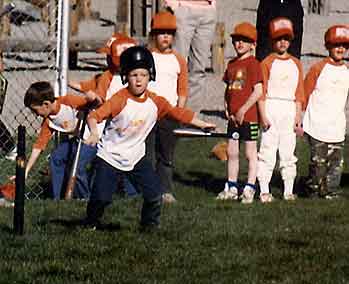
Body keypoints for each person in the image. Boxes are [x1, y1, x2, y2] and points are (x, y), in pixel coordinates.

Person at [82, 46, 215, 230]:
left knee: (154, 195)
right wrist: (95, 133)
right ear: (126, 77)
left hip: (136, 157)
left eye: (143, 75)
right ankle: (91, 222)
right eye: (134, 75)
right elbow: (93, 116)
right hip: (110, 156)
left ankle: (149, 227)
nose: (138, 80)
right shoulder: (119, 100)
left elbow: (177, 113)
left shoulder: (156, 102)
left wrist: (202, 124)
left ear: (150, 76)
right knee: (102, 198)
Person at [69, 33, 139, 198]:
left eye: (110, 56)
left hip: (120, 133)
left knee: (126, 165)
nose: (107, 59)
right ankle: (86, 198)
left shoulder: (135, 79)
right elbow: (94, 92)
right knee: (79, 166)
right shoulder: (106, 76)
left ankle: (132, 198)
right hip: (97, 129)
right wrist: (65, 80)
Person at [24, 81, 99, 200]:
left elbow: (96, 103)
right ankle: (57, 198)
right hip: (78, 140)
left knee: (78, 166)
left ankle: (84, 199)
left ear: (46, 104)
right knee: (56, 157)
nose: (36, 115)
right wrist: (26, 170)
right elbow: (39, 146)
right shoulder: (49, 121)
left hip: (94, 139)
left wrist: (93, 98)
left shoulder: (68, 102)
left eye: (35, 110)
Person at [257, 17, 304, 203]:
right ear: (272, 40)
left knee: (288, 150)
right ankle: (264, 189)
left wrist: (298, 114)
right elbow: (261, 91)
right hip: (271, 106)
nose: (283, 42)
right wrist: (262, 114)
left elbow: (299, 92)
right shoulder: (266, 62)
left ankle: (288, 190)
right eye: (278, 38)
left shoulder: (296, 63)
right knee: (267, 148)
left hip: (289, 108)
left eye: (286, 38)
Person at [216, 22, 263, 204]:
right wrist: (227, 106)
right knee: (232, 152)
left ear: (253, 44)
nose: (239, 44)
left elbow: (258, 91)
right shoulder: (231, 64)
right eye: (236, 40)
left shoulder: (254, 64)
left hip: (249, 117)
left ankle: (250, 187)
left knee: (250, 153)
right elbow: (229, 88)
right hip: (233, 118)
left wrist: (243, 109)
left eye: (244, 40)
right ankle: (232, 186)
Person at [146, 11, 188, 203]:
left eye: (169, 33)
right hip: (146, 111)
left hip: (169, 114)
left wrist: (179, 111)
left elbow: (183, 90)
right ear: (154, 34)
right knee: (146, 153)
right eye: (161, 33)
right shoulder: (147, 56)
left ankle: (165, 190)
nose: (165, 37)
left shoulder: (178, 60)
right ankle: (145, 189)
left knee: (166, 154)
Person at [302, 25, 349, 199]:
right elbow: (305, 92)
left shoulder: (346, 71)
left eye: (344, 46)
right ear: (328, 46)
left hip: (336, 125)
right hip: (317, 125)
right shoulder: (318, 68)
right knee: (318, 162)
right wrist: (300, 117)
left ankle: (330, 191)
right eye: (336, 45)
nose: (340, 49)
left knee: (336, 163)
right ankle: (313, 190)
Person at [162, 0, 217, 108]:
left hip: (207, 12)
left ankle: (191, 117)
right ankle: (172, 111)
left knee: (199, 69)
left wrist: (213, 5)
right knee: (176, 66)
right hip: (183, 9)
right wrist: (172, 4)